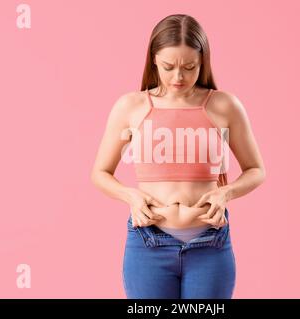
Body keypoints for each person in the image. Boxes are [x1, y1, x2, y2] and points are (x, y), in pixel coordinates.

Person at [91, 14, 266, 299]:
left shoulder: (224, 105)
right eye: (168, 67)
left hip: (210, 242)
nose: (179, 77)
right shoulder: (131, 106)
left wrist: (226, 194)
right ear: (153, 60)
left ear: (203, 62)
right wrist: (131, 197)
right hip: (148, 242)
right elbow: (100, 173)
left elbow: (256, 169)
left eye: (189, 67)